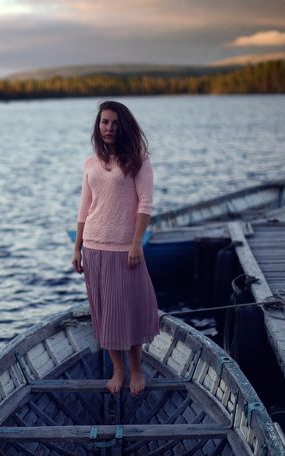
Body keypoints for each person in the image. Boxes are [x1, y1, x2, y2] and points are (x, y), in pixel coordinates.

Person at [71, 100, 160, 396]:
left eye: (114, 123)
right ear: (98, 126)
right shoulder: (91, 162)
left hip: (124, 249)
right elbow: (85, 207)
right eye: (104, 122)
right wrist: (77, 247)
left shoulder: (139, 160)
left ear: (124, 127)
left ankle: (136, 369)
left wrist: (136, 243)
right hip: (94, 247)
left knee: (129, 311)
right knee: (105, 313)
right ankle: (117, 369)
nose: (108, 128)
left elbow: (145, 204)